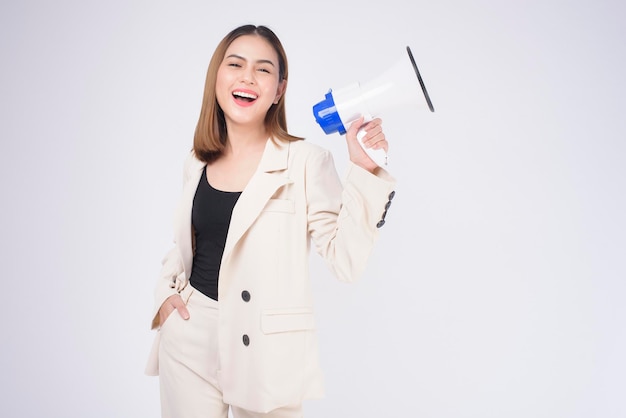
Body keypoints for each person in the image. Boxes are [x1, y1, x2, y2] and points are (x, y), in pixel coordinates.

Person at [145, 24, 397, 418]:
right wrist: (165, 295)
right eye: (235, 64)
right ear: (217, 77)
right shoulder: (196, 161)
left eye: (263, 69)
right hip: (190, 335)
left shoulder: (307, 161)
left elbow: (345, 261)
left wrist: (364, 171)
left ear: (279, 88)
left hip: (265, 350)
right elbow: (187, 245)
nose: (247, 77)